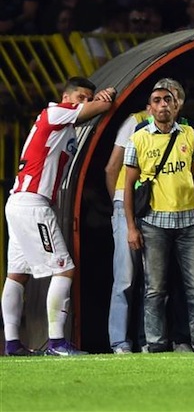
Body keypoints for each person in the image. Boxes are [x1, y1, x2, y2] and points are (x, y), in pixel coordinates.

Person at [2, 77, 116, 356]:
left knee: (17, 275)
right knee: (64, 269)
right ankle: (57, 343)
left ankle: (12, 344)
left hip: (20, 202)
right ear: (66, 97)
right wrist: (107, 95)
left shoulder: (66, 128)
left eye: (88, 98)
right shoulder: (55, 112)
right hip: (33, 203)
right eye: (80, 97)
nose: (84, 103)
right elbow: (100, 108)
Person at [124, 83, 194, 353]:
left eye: (167, 99)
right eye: (157, 100)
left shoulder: (190, 134)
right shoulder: (138, 138)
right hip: (154, 222)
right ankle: (155, 342)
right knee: (155, 288)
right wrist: (131, 227)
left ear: (176, 105)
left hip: (188, 220)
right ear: (150, 108)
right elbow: (128, 186)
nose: (163, 104)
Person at [105, 107, 150, 354]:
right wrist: (120, 204)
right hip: (128, 204)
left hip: (155, 206)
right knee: (125, 277)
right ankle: (119, 341)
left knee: (152, 280)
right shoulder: (136, 121)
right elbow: (112, 167)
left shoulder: (178, 128)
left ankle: (147, 339)